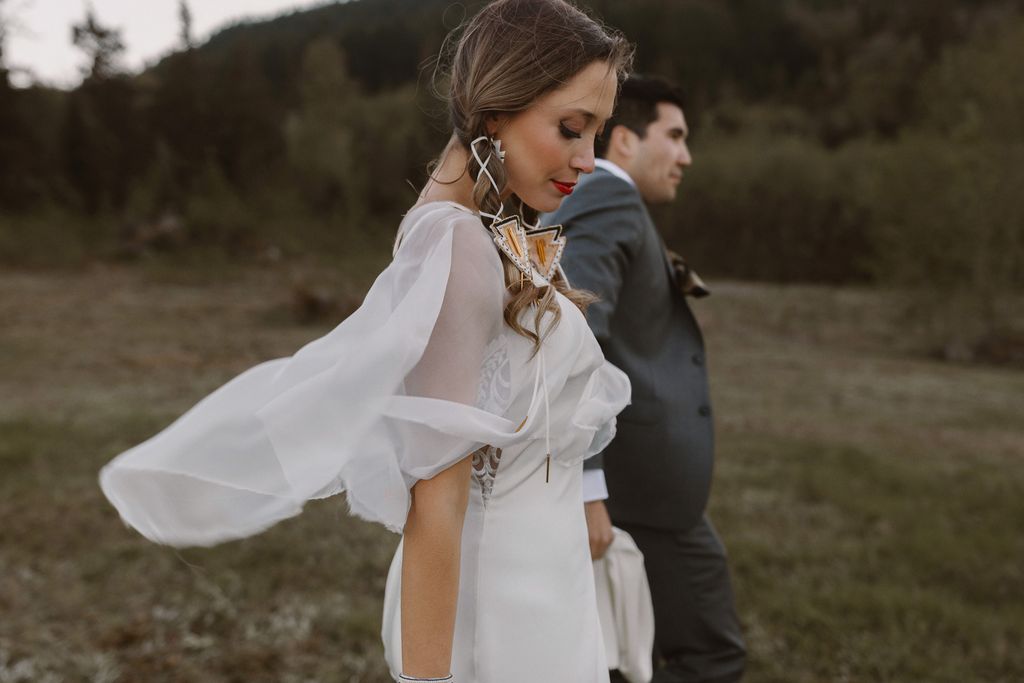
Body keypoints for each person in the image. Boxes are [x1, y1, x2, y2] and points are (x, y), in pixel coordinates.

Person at [99, 1, 634, 681]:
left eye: (598, 132)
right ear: (497, 111)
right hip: (499, 612)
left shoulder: (491, 227)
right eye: (571, 128)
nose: (589, 161)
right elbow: (436, 497)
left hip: (546, 585)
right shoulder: (456, 244)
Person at [545, 75, 747, 683]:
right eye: (676, 136)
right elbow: (578, 333)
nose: (686, 156)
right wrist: (587, 488)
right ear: (625, 140)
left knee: (633, 655)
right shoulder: (608, 197)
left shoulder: (612, 202)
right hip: (638, 492)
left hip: (645, 492)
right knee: (709, 656)